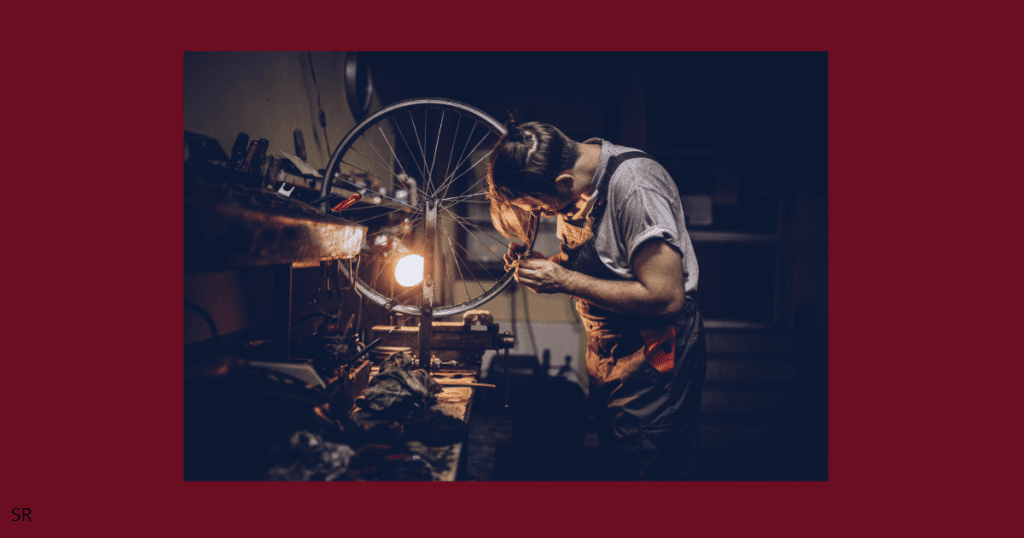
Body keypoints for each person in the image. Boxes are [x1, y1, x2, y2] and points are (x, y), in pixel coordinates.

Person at [487, 119, 707, 480]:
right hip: (608, 352)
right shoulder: (580, 185)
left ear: (563, 183)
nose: (542, 214)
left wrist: (565, 279)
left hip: (653, 356)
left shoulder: (635, 189)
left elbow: (666, 298)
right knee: (619, 465)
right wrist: (549, 267)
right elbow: (603, 263)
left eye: (540, 207)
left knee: (646, 469)